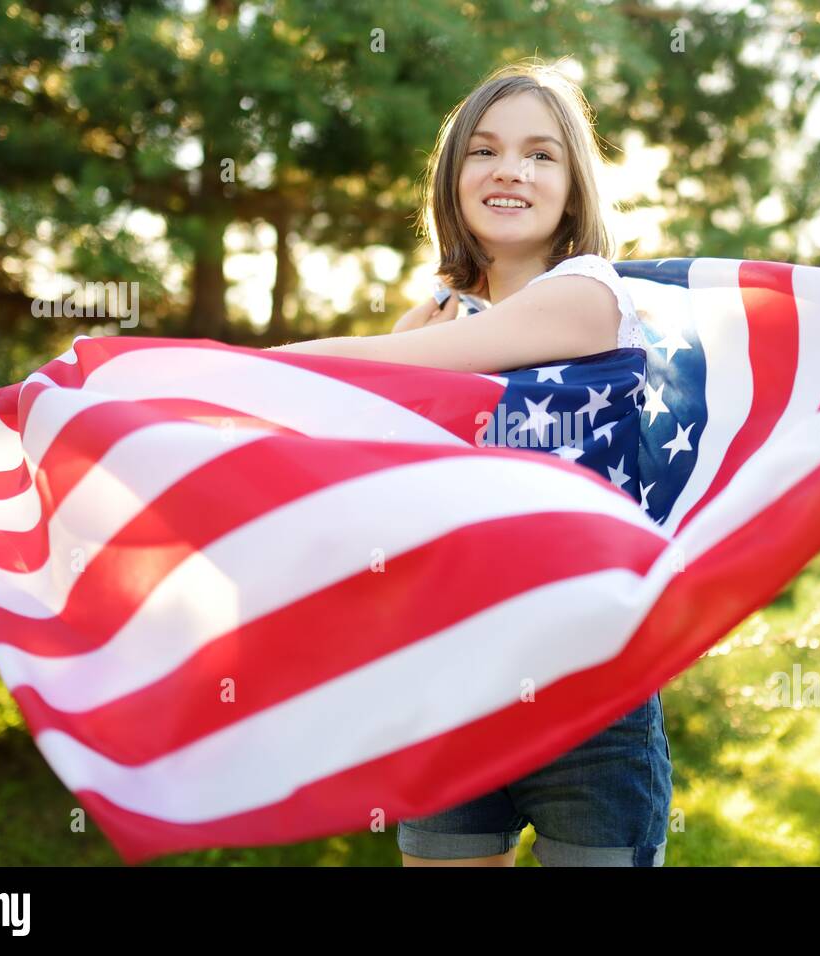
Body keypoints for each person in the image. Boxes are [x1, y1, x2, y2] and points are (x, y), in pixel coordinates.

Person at [269, 61, 673, 867]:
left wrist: (229, 365)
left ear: (573, 184)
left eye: (540, 154)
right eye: (484, 151)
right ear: (455, 177)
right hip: (449, 694)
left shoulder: (592, 293)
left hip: (589, 700)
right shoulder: (431, 323)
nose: (510, 171)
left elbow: (385, 371)